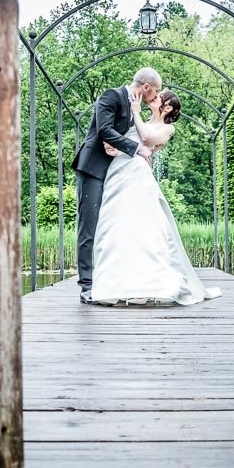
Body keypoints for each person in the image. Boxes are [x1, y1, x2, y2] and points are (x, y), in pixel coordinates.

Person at [90, 89, 222, 306]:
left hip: (138, 177)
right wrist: (115, 148)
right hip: (118, 172)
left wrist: (136, 113)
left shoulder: (167, 127)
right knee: (116, 226)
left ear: (167, 108)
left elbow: (147, 138)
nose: (153, 97)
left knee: (146, 229)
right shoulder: (134, 120)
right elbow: (125, 142)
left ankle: (149, 284)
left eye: (159, 97)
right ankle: (115, 285)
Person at [72, 67, 159, 304]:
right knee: (88, 227)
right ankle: (86, 287)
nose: (156, 97)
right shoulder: (111, 96)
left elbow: (116, 135)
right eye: (156, 91)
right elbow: (103, 130)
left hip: (113, 172)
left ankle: (106, 281)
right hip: (92, 168)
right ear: (146, 88)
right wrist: (135, 148)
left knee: (109, 227)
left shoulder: (133, 108)